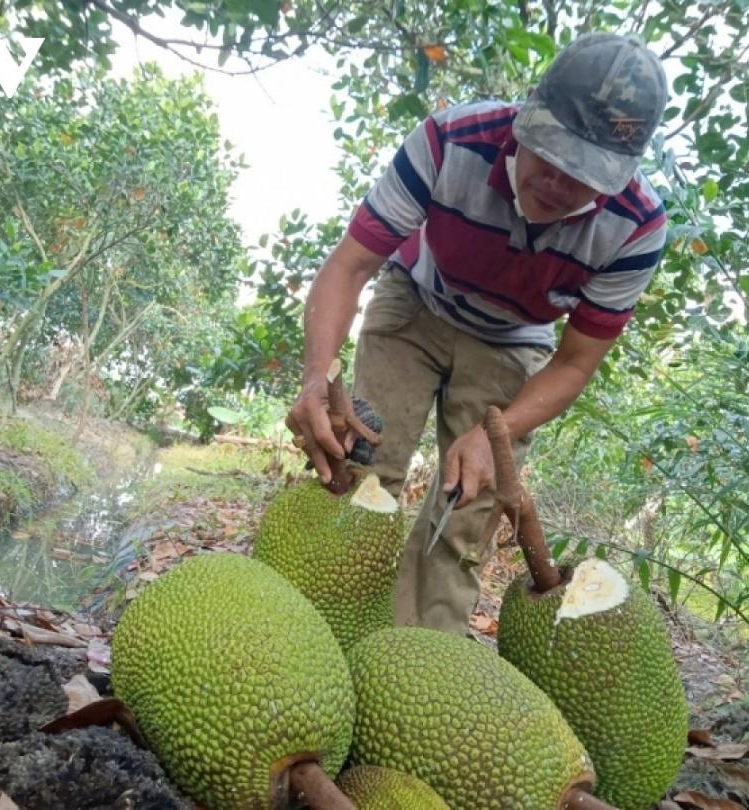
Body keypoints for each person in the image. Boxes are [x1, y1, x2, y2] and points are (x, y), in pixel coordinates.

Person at [285, 32, 670, 636]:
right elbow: (350, 265)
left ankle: (420, 662)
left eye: (585, 173)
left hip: (516, 339)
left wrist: (501, 432)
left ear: (621, 172)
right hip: (416, 301)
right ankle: (315, 635)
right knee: (360, 465)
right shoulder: (450, 142)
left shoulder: (636, 228)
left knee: (467, 509)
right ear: (525, 118)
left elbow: (573, 364)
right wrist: (315, 375)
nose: (559, 183)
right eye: (552, 155)